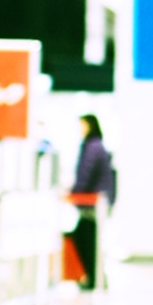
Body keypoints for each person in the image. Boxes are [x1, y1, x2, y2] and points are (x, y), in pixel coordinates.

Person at [69, 113, 115, 290]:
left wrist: (76, 191)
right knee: (88, 238)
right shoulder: (95, 145)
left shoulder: (92, 147)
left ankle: (94, 278)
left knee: (85, 237)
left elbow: (85, 172)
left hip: (93, 203)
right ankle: (95, 278)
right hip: (95, 202)